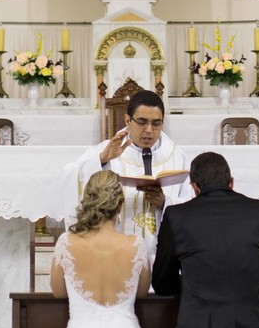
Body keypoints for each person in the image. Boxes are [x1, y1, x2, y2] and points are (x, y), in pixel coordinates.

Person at [151, 152, 259, 328]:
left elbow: (162, 282)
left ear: (194, 187)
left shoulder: (177, 216)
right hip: (253, 325)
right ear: (231, 182)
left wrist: (193, 287)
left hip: (200, 326)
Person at [70, 90, 191, 252]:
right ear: (127, 120)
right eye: (142, 122)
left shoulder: (178, 158)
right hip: (115, 255)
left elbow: (193, 206)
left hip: (164, 256)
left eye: (156, 123)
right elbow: (71, 179)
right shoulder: (105, 150)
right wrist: (102, 160)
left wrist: (165, 203)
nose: (149, 130)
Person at [50, 170, 150, 328]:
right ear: (119, 205)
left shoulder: (66, 243)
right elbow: (142, 292)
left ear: (87, 202)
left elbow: (58, 292)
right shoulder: (136, 244)